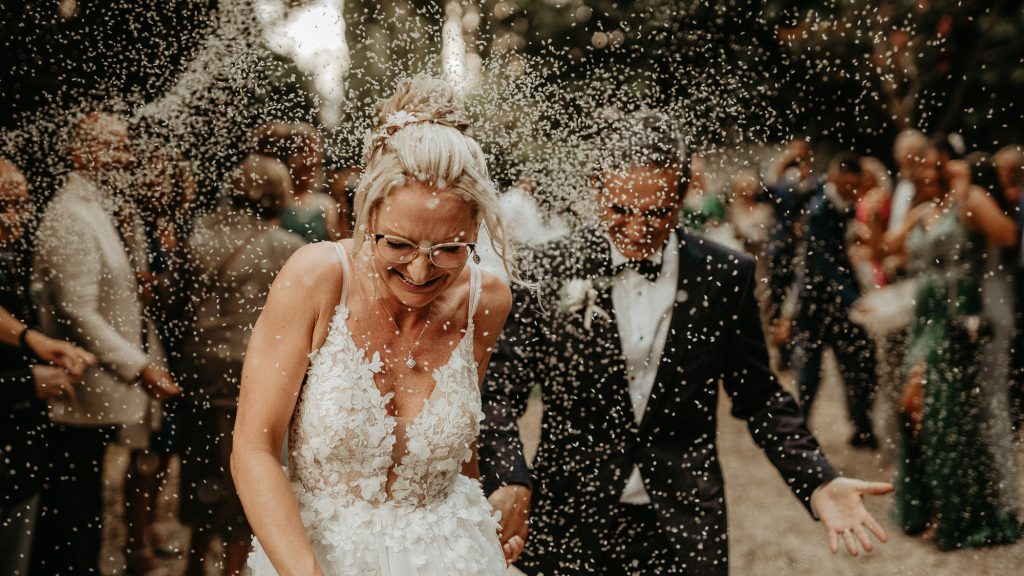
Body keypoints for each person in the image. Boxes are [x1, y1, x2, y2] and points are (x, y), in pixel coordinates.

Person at [480, 111, 893, 576]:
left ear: (681, 198)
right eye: (620, 209)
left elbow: (759, 397)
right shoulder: (548, 268)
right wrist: (510, 477)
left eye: (655, 213)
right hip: (568, 522)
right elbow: (499, 391)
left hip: (683, 522)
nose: (636, 227)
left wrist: (818, 481)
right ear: (597, 189)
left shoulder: (724, 275)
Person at [231, 76, 522, 575]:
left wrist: (488, 520)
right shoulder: (317, 277)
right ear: (367, 216)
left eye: (450, 248)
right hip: (316, 559)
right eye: (399, 244)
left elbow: (459, 442)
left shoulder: (487, 300)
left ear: (476, 229)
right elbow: (254, 448)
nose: (420, 270)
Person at [29, 112, 182, 574]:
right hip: (71, 391)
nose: (126, 157)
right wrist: (138, 367)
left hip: (90, 394)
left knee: (88, 506)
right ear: (79, 153)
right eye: (113, 147)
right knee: (71, 515)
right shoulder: (69, 215)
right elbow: (77, 310)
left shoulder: (99, 208)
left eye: (125, 147)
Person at [884, 137, 1021, 549]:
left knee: (935, 415)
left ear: (946, 166)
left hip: (954, 319)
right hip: (923, 321)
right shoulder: (925, 210)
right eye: (916, 169)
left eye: (928, 166)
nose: (920, 174)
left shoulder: (969, 200)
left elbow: (1007, 235)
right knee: (919, 413)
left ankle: (957, 512)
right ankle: (932, 505)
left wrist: (967, 195)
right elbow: (890, 249)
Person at [178, 154, 305, 576]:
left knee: (202, 472)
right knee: (247, 471)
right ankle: (234, 569)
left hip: (199, 372)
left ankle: (195, 562)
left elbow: (177, 303)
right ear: (276, 197)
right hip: (251, 375)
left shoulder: (198, 236)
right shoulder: (289, 249)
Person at [0, 157, 95, 575]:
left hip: (19, 453)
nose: (14, 217)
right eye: (2, 205)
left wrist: (34, 341)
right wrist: (25, 383)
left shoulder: (12, 253)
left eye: (20, 203)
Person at [787, 152, 879, 448]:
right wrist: (853, 299)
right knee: (810, 371)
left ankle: (861, 428)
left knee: (854, 366)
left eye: (856, 185)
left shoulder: (844, 207)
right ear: (835, 178)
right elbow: (825, 263)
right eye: (848, 185)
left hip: (835, 303)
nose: (853, 191)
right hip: (816, 304)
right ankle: (801, 428)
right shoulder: (820, 210)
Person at [279, 123, 344, 243]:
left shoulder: (326, 204)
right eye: (302, 151)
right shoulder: (275, 201)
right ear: (286, 154)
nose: (310, 160)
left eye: (314, 152)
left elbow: (334, 251)